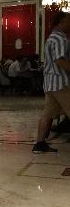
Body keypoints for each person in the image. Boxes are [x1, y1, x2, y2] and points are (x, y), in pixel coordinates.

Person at [33, 11, 70, 153]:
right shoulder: (60, 39)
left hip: (50, 82)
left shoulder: (51, 38)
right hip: (60, 82)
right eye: (69, 21)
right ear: (62, 22)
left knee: (48, 114)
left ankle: (39, 144)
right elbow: (60, 61)